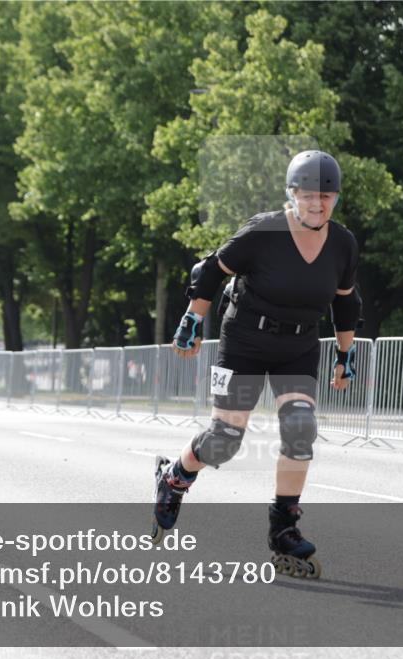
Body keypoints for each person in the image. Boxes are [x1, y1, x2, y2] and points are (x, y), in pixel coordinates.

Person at [152, 150, 361, 579]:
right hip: (245, 339)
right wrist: (192, 320)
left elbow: (346, 304)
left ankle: (283, 528)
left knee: (301, 429)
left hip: (298, 346)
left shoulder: (342, 243)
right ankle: (175, 478)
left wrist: (346, 355)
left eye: (327, 196)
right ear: (292, 194)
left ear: (335, 198)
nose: (317, 204)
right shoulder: (263, 231)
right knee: (225, 439)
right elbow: (210, 269)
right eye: (308, 196)